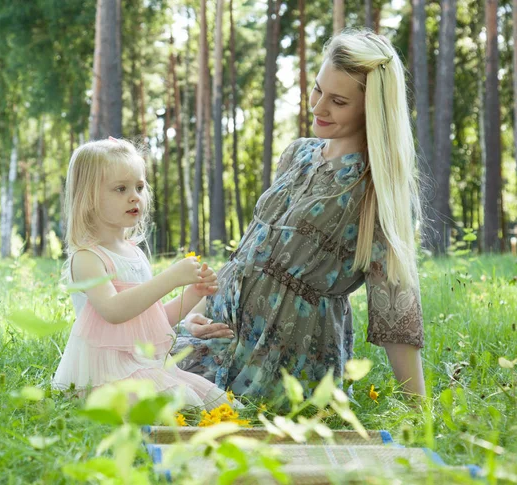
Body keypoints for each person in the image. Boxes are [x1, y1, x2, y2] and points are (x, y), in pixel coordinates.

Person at [173, 29, 426, 400]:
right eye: (317, 89)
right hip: (223, 326)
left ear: (372, 109)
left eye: (338, 101)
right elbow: (249, 254)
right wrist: (196, 314)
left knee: (171, 398)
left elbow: (396, 304)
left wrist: (417, 405)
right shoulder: (299, 154)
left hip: (283, 354)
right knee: (124, 363)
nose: (318, 107)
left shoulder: (375, 190)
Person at [52, 137, 237, 410]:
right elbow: (114, 311)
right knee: (179, 401)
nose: (134, 196)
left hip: (139, 365)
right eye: (120, 188)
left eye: (139, 186)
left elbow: (155, 319)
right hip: (104, 376)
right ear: (89, 198)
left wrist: (193, 292)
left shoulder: (134, 254)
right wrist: (170, 278)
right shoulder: (87, 258)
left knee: (217, 401)